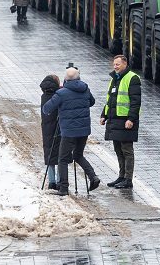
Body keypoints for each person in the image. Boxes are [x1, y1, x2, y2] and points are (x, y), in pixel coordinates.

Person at [42, 67, 100, 195]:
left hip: (68, 132)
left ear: (66, 79)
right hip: (84, 130)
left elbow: (46, 109)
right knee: (78, 155)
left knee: (62, 159)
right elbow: (92, 102)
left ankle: (63, 188)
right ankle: (93, 177)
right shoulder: (85, 89)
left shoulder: (62, 93)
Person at [101, 54, 141, 189]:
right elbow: (110, 99)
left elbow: (136, 102)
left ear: (125, 64)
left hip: (125, 120)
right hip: (114, 119)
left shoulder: (132, 78)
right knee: (118, 149)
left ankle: (128, 179)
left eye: (117, 64)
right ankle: (121, 176)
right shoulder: (114, 79)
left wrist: (131, 119)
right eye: (114, 64)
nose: (115, 66)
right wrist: (104, 115)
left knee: (127, 150)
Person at [40, 74, 61, 190]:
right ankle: (59, 181)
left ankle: (51, 181)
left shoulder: (44, 96)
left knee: (49, 153)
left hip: (46, 128)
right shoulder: (57, 95)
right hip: (57, 127)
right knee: (59, 154)